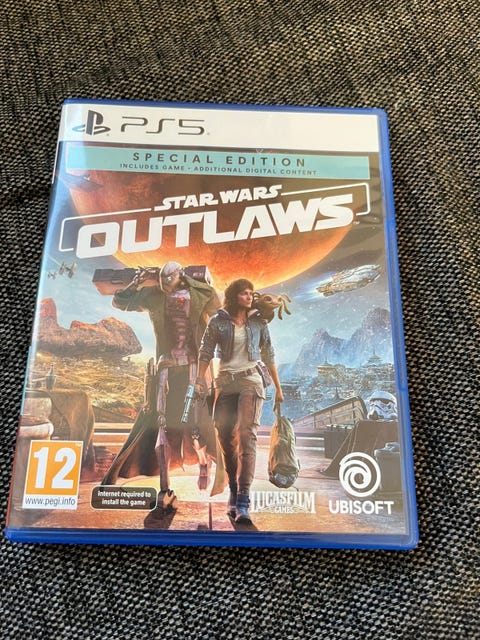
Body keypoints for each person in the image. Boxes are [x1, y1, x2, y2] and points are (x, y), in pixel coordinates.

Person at [103, 261, 221, 512]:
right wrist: (137, 281)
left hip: (194, 366)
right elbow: (120, 302)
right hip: (167, 365)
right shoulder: (155, 296)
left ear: (179, 276)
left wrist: (191, 280)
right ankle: (164, 487)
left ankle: (204, 463)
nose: (165, 284)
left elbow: (215, 301)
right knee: (161, 423)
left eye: (170, 279)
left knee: (197, 424)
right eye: (162, 280)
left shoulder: (198, 293)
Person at [196, 278, 284, 524]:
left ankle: (243, 500)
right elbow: (205, 351)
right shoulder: (218, 321)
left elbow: (269, 355)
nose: (249, 296)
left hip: (251, 381)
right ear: (234, 296)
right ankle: (234, 492)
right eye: (244, 293)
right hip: (224, 383)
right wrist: (198, 380)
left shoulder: (258, 322)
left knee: (247, 435)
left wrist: (278, 388)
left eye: (251, 293)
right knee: (225, 439)